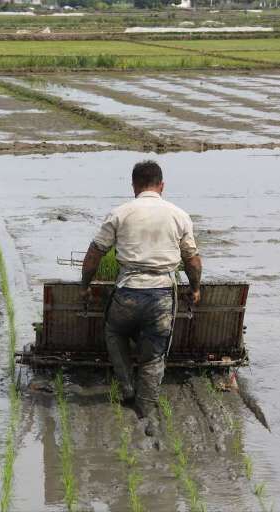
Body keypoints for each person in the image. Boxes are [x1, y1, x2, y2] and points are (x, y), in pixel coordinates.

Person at [80, 160, 202, 434]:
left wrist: (85, 286)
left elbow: (93, 256)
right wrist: (195, 289)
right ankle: (146, 407)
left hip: (128, 292)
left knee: (114, 331)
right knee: (154, 354)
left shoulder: (120, 213)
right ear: (162, 186)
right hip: (160, 297)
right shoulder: (178, 215)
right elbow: (192, 260)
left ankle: (126, 387)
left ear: (134, 186)